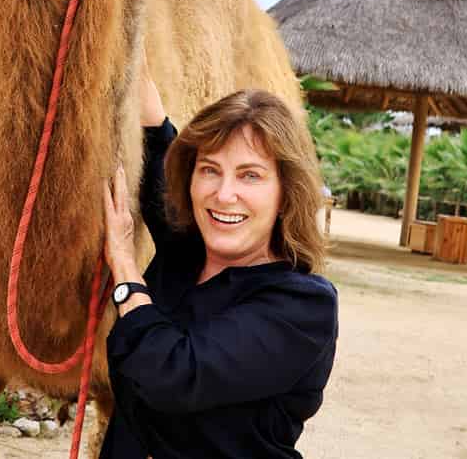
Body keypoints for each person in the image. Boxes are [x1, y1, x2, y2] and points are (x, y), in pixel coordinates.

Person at [101, 78, 338, 459]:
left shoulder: (303, 307)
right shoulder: (188, 250)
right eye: (209, 170)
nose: (224, 194)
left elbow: (172, 375)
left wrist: (125, 266)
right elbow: (156, 134)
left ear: (285, 192)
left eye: (250, 175)